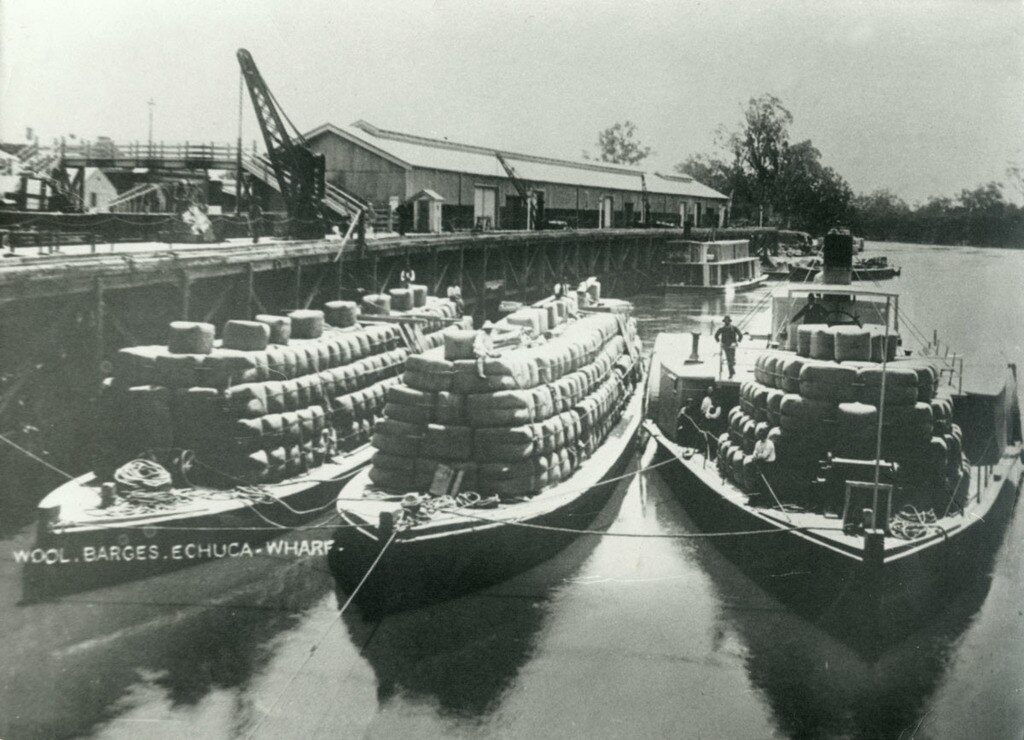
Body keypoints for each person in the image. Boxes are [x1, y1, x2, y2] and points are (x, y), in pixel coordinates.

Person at [751, 426, 776, 502]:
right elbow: (755, 451)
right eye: (759, 435)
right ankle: (754, 501)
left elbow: (764, 456)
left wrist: (757, 456)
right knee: (757, 482)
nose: (759, 437)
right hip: (761, 464)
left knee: (767, 484)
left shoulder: (769, 444)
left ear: (764, 435)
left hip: (769, 465)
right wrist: (754, 455)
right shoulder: (758, 443)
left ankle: (769, 502)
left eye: (761, 435)